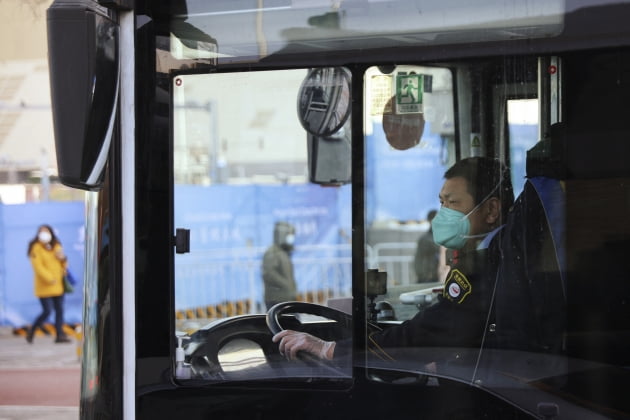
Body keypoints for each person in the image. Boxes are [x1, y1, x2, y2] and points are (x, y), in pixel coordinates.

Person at [273, 157, 514, 361]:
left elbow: (430, 333)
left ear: (491, 210)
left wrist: (330, 348)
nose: (444, 213)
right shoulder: (505, 249)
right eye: (442, 203)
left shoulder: (484, 264)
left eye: (452, 203)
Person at [26, 225, 71, 344]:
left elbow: (64, 263)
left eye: (46, 231)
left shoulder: (56, 245)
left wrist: (64, 260)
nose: (44, 234)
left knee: (60, 310)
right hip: (44, 286)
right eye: (41, 231)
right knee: (47, 311)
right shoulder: (35, 248)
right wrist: (50, 279)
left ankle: (59, 335)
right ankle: (32, 330)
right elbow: (38, 267)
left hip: (58, 285)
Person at [262, 222, 297, 310]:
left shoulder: (283, 252)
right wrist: (286, 285)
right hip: (276, 299)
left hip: (286, 298)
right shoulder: (272, 252)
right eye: (288, 235)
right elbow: (268, 274)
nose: (291, 238)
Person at [413, 209, 440, 283]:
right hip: (427, 277)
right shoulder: (426, 239)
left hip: (434, 276)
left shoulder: (434, 236)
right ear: (430, 220)